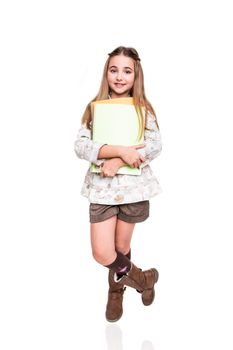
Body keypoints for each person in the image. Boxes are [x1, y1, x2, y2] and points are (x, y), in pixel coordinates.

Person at [74, 46, 162, 322]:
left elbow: (155, 145)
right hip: (101, 190)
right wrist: (118, 151)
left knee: (121, 250)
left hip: (132, 190)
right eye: (114, 70)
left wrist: (117, 162)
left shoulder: (142, 109)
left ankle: (116, 292)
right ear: (106, 73)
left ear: (136, 76)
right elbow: (80, 146)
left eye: (127, 71)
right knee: (103, 253)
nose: (120, 77)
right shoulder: (94, 108)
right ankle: (143, 280)